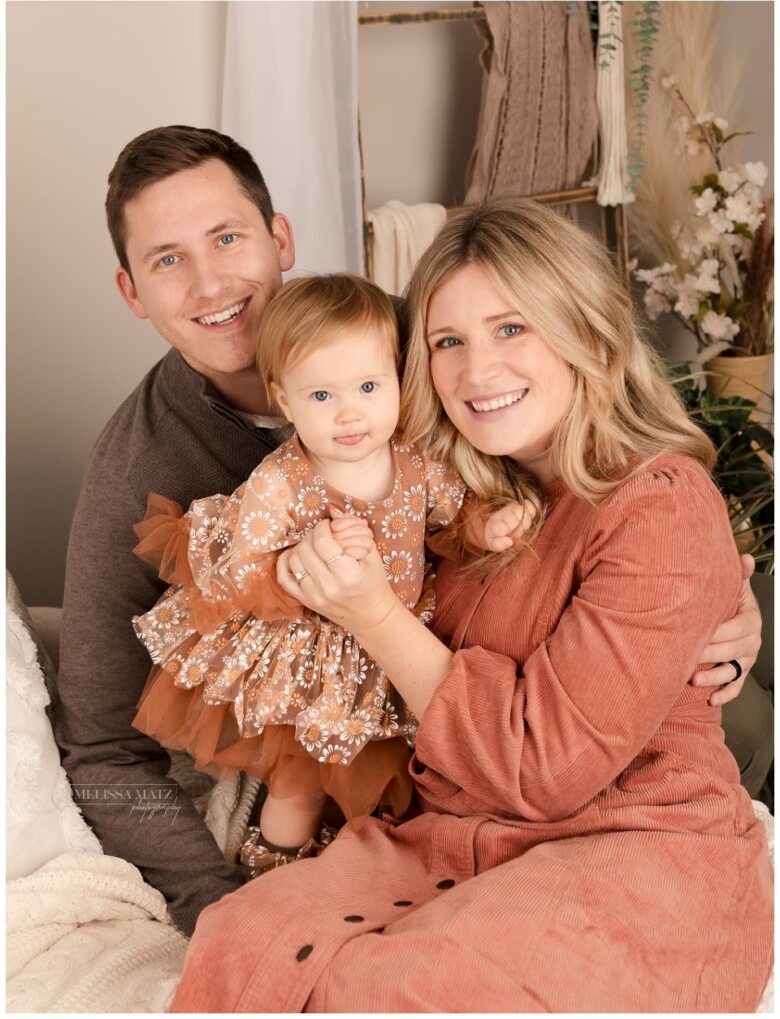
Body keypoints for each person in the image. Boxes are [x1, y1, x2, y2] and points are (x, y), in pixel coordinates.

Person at [53, 125, 760, 940]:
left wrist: (720, 595)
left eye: (227, 238)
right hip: (399, 770)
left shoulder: (425, 342)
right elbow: (102, 752)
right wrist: (221, 908)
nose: (210, 282)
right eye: (168, 259)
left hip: (581, 710)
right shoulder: (135, 466)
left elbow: (597, 464)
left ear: (280, 238)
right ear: (131, 291)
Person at [169, 199, 773, 1013]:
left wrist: (374, 617)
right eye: (447, 341)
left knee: (409, 990)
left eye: (511, 328)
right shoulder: (439, 490)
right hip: (447, 838)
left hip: (629, 841)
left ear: (586, 329)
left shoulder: (654, 500)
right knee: (241, 940)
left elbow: (544, 768)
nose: (477, 371)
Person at [130, 273, 531, 865]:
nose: (349, 414)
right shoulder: (283, 481)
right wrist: (295, 562)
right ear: (285, 399)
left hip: (397, 645)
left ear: (399, 380)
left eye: (368, 387)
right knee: (301, 786)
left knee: (396, 773)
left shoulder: (415, 459)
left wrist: (485, 528)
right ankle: (271, 870)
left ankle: (374, 863)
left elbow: (451, 518)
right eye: (321, 396)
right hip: (315, 660)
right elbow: (241, 565)